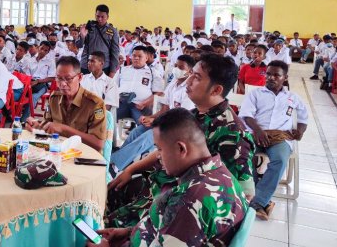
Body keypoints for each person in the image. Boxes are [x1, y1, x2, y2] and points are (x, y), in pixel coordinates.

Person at [44, 108, 247, 247]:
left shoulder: (194, 198)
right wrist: (128, 233)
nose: (158, 158)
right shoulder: (219, 175)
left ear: (181, 148)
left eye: (159, 149)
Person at [107, 54, 254, 229]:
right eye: (191, 74)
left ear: (216, 90)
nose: (188, 81)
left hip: (176, 204)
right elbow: (162, 151)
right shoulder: (192, 116)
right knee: (104, 196)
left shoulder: (233, 134)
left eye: (197, 77)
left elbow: (243, 194)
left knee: (104, 231)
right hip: (154, 187)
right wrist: (130, 169)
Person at [240, 61, 307, 220]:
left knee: (280, 159)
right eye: (268, 74)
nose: (271, 77)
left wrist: (300, 131)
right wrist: (258, 131)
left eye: (276, 75)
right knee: (244, 154)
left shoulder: (292, 97)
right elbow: (247, 116)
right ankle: (255, 194)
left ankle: (257, 201)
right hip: (256, 133)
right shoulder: (255, 93)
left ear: (285, 78)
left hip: (279, 136)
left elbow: (304, 118)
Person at [109, 55, 196, 173]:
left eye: (181, 67)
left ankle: (114, 165)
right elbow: (164, 109)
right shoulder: (173, 84)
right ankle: (120, 163)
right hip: (165, 122)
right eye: (176, 66)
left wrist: (155, 122)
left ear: (190, 71)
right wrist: (150, 118)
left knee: (147, 137)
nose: (176, 69)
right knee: (137, 131)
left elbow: (181, 118)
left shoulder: (189, 89)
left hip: (177, 128)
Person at [25, 56, 107, 152]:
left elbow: (98, 144)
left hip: (82, 156)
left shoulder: (95, 104)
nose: (63, 84)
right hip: (57, 152)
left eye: (68, 79)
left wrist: (64, 129)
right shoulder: (54, 98)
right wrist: (36, 126)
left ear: (80, 77)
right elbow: (48, 127)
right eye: (59, 78)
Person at [116, 46, 162, 123]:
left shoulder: (153, 72)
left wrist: (145, 103)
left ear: (146, 58)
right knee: (107, 120)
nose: (136, 58)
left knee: (143, 125)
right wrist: (116, 98)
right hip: (122, 104)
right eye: (134, 56)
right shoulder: (122, 70)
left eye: (140, 56)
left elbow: (159, 92)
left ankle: (138, 132)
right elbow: (112, 87)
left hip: (141, 106)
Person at [79, 4, 120, 77]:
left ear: (107, 17)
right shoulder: (88, 27)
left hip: (103, 67)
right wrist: (82, 36)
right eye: (97, 16)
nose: (99, 19)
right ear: (95, 15)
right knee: (85, 88)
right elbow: (79, 45)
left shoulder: (112, 31)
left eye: (102, 17)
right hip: (86, 65)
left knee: (100, 88)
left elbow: (115, 52)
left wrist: (112, 71)